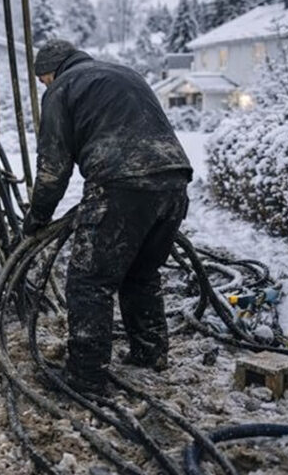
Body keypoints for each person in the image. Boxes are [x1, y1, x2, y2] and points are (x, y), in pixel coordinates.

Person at [23, 39, 192, 394]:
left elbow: (53, 167)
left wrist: (36, 218)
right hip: (174, 180)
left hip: (121, 185)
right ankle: (150, 352)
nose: (44, 87)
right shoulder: (123, 73)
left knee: (89, 281)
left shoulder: (62, 89)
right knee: (140, 272)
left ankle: (85, 378)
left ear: (51, 72)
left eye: (43, 81)